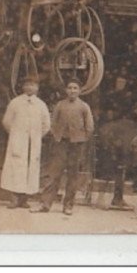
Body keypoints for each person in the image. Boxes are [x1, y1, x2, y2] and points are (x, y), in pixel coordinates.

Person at [32, 79, 95, 216]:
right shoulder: (60, 105)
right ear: (66, 90)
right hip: (61, 143)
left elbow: (89, 127)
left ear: (79, 91)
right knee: (54, 174)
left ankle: (68, 205)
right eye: (70, 88)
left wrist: (81, 140)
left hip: (77, 145)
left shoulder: (84, 107)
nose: (72, 91)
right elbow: (53, 123)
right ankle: (45, 203)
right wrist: (56, 137)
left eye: (75, 88)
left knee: (73, 176)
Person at [0, 75, 51, 209]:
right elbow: (6, 121)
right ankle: (14, 199)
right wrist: (16, 134)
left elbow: (46, 124)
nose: (30, 87)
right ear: (23, 87)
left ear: (37, 88)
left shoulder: (41, 105)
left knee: (30, 169)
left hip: (33, 142)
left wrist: (36, 136)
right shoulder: (15, 103)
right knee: (16, 168)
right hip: (18, 141)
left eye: (33, 85)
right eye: (27, 84)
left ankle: (24, 199)